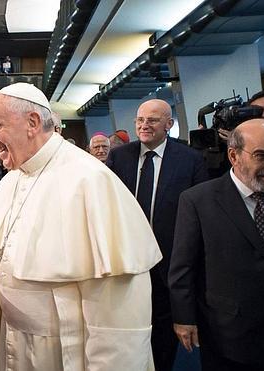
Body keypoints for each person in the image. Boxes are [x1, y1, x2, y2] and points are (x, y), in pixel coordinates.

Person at [0, 83, 162, 370]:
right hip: (17, 341)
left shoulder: (89, 180)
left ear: (32, 122)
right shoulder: (12, 178)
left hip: (66, 353)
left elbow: (118, 318)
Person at [169, 119, 264, 371]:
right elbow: (183, 267)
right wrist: (184, 318)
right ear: (233, 155)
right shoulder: (198, 200)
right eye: (262, 156)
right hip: (229, 334)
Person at [106, 99, 209, 371]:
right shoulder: (119, 157)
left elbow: (201, 215)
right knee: (129, 336)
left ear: (169, 124)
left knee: (163, 339)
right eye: (140, 120)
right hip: (127, 265)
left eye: (152, 120)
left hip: (169, 264)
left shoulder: (190, 159)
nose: (143, 125)